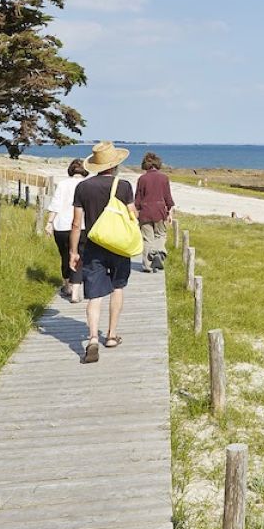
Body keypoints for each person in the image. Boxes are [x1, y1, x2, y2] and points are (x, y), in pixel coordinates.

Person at [70, 141, 136, 364]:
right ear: (115, 164)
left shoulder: (83, 187)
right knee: (118, 287)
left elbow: (76, 223)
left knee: (94, 295)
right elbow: (132, 216)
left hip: (92, 246)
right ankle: (110, 335)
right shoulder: (124, 186)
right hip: (118, 245)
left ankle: (92, 339)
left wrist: (73, 252)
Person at [44, 158, 88, 301]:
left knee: (65, 255)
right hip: (81, 226)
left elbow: (55, 204)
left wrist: (49, 222)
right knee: (78, 256)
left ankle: (67, 286)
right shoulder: (86, 184)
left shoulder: (62, 184)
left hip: (62, 226)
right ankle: (76, 291)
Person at [134, 151, 174, 272]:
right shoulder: (164, 178)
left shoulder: (142, 179)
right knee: (161, 235)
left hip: (145, 212)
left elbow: (138, 199)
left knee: (147, 238)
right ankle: (158, 253)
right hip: (160, 211)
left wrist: (136, 213)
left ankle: (147, 265)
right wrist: (170, 212)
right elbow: (168, 197)